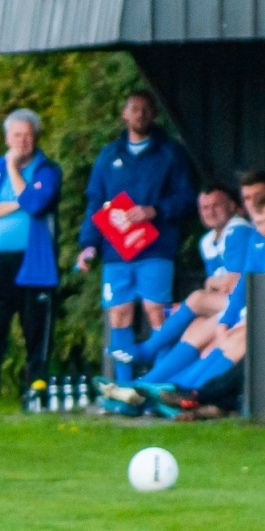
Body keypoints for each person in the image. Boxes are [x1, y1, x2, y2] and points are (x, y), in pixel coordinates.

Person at [110, 190, 265, 418]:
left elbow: (235, 283)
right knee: (209, 330)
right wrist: (225, 323)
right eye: (260, 223)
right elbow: (243, 287)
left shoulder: (240, 232)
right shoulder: (257, 240)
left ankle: (178, 391)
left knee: (237, 335)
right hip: (257, 311)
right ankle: (153, 389)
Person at [75, 90, 196, 383]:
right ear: (124, 114)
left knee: (157, 313)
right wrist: (88, 245)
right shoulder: (108, 155)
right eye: (134, 109)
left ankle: (159, 385)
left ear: (154, 114)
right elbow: (95, 202)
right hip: (116, 251)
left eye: (146, 109)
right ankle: (125, 386)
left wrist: (156, 210)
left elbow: (188, 197)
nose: (140, 114)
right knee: (119, 314)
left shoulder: (170, 153)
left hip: (156, 249)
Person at [0, 108, 63, 412]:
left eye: (27, 135)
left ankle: (34, 396)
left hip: (34, 263)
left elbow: (34, 204)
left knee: (35, 333)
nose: (22, 141)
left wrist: (13, 172)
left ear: (35, 138)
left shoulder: (47, 170)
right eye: (16, 135)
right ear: (7, 137)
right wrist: (15, 203)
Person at [112, 183, 249, 379]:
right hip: (229, 304)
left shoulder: (238, 230)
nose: (210, 212)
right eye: (205, 207)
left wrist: (211, 282)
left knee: (197, 299)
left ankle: (147, 353)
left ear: (233, 206)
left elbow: (231, 283)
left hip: (248, 303)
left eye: (216, 205)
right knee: (195, 325)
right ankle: (150, 384)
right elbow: (221, 286)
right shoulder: (207, 241)